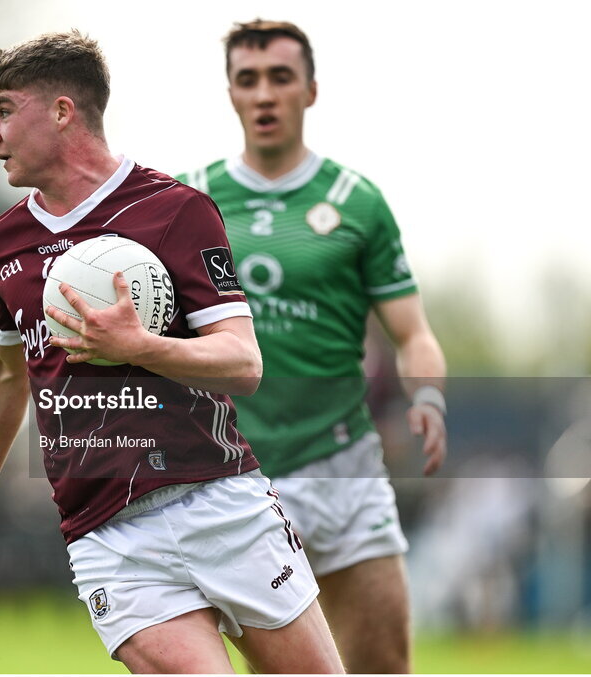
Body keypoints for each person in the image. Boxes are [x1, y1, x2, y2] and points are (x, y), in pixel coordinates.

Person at [0, 30, 343, 674]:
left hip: (219, 501)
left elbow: (242, 361)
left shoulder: (173, 211)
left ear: (62, 111)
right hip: (109, 535)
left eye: (4, 110)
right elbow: (3, 369)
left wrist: (139, 346)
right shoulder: (1, 243)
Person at [176, 19, 447, 673]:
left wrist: (430, 395)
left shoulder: (357, 203)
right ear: (231, 94)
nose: (264, 94)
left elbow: (413, 333)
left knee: (384, 664)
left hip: (343, 464)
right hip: (234, 478)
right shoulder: (188, 201)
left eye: (280, 77)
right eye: (248, 79)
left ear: (311, 90)